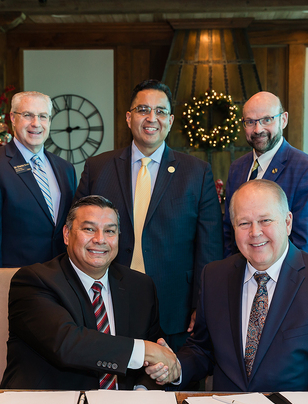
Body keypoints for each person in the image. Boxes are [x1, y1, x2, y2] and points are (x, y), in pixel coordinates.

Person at [149, 179, 308, 394]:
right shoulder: (214, 277)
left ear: (288, 222)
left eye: (265, 220)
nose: (255, 232)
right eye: (244, 223)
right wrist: (176, 367)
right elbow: (202, 349)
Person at [75, 80, 222, 351]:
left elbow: (209, 247)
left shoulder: (197, 172)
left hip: (175, 308)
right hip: (105, 302)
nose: (152, 118)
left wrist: (202, 304)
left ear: (170, 120)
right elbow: (77, 234)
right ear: (129, 117)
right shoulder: (98, 168)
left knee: (173, 375)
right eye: (143, 109)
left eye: (161, 111)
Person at [0, 195, 180, 390]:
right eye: (89, 229)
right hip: (50, 403)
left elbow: (156, 361)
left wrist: (147, 385)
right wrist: (145, 350)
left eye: (110, 231)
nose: (100, 239)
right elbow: (67, 344)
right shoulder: (34, 281)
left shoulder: (140, 286)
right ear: (67, 234)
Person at [0, 90, 77, 293]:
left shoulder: (65, 169)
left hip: (63, 285)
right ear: (12, 118)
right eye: (28, 115)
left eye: (43, 116)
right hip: (17, 286)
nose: (36, 123)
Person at [223, 91, 308, 258]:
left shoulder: (307, 170)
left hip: (286, 273)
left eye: (267, 120)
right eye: (250, 122)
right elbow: (229, 230)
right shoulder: (237, 168)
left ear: (283, 120)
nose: (258, 129)